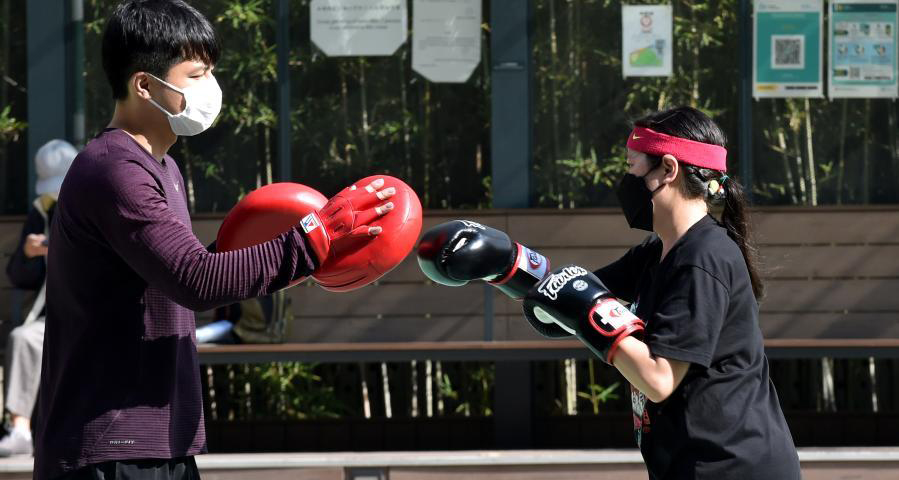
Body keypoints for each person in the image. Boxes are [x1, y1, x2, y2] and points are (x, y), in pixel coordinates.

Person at [35, 1, 396, 479]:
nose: (212, 88)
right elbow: (197, 280)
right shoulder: (114, 169)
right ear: (145, 85)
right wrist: (317, 238)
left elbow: (187, 273)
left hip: (156, 441)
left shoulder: (161, 166)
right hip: (111, 445)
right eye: (197, 74)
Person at [418, 107, 800, 479]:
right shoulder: (659, 252)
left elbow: (659, 376)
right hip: (692, 462)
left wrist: (590, 311)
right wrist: (506, 266)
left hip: (733, 465)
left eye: (633, 165)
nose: (626, 177)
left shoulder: (704, 258)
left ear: (667, 169)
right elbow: (568, 296)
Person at [1, 140, 77, 457]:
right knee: (23, 337)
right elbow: (19, 277)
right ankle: (19, 428)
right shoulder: (42, 211)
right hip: (53, 316)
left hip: (95, 313)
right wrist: (30, 254)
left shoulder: (99, 202)